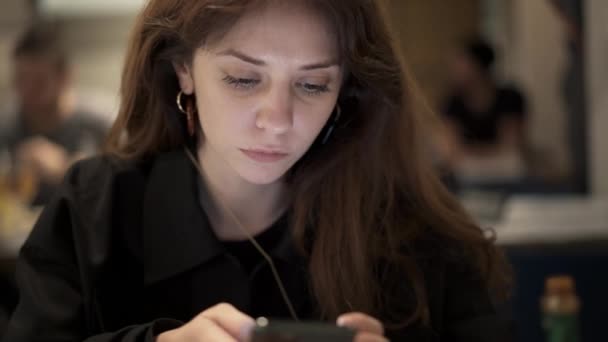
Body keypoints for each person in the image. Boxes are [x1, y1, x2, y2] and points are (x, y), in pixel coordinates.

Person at [3, 1, 513, 341]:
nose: (278, 121)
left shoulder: (410, 232)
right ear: (184, 70)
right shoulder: (94, 210)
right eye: (244, 79)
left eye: (313, 85)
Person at [0, 23, 109, 206]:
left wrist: (66, 169)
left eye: (39, 82)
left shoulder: (100, 121)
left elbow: (128, 183)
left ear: (66, 77)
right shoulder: (7, 125)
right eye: (20, 79)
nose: (26, 91)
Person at [440, 37, 528, 186]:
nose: (454, 68)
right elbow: (451, 153)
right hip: (468, 176)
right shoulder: (452, 103)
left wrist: (470, 154)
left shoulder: (510, 98)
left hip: (505, 174)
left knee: (513, 163)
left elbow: (510, 148)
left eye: (460, 62)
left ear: (477, 66)